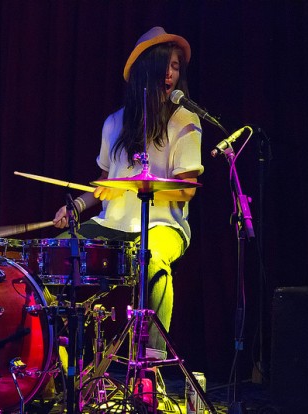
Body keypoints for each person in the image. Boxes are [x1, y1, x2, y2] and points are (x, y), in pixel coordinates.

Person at [52, 26, 203, 360]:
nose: (170, 74)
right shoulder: (114, 123)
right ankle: (58, 361)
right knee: (53, 256)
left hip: (164, 225)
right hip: (113, 225)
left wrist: (145, 188)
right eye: (165, 65)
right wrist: (77, 206)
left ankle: (151, 363)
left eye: (176, 66)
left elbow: (188, 190)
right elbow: (104, 184)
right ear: (143, 71)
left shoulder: (186, 121)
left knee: (154, 263)